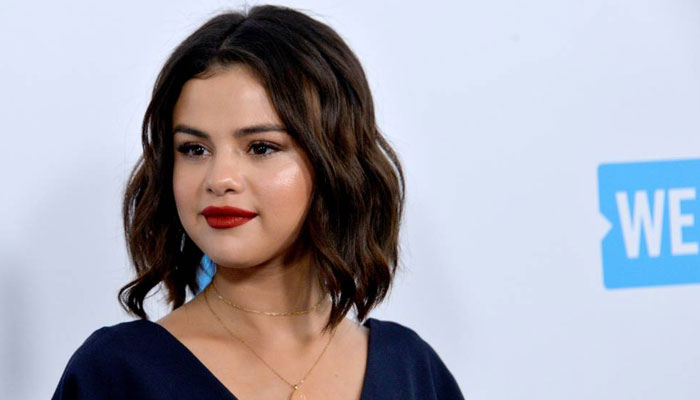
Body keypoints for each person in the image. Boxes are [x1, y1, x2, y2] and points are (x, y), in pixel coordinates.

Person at [51, 4, 465, 400]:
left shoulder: (412, 371)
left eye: (262, 147)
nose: (219, 179)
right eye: (194, 149)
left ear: (336, 161)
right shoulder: (116, 374)